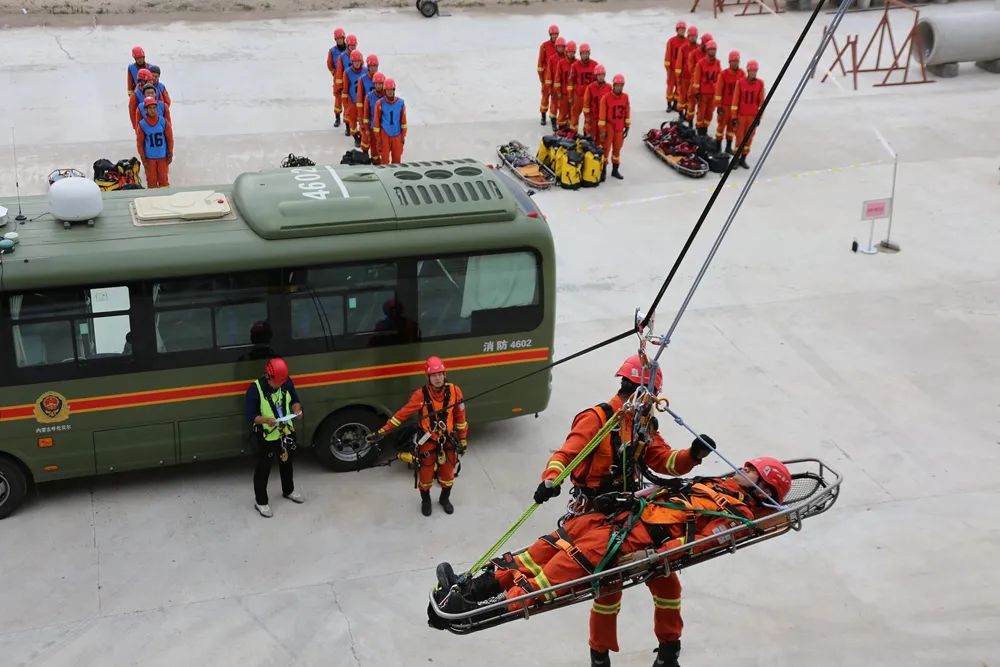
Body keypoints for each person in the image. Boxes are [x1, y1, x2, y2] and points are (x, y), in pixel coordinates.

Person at [431, 457, 793, 667]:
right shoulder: (716, 485)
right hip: (614, 521)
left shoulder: (736, 513)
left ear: (762, 486)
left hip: (630, 542)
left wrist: (652, 556)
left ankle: (475, 611)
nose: (742, 470)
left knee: (547, 580)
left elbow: (699, 543)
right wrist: (622, 499)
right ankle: (470, 589)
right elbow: (662, 489)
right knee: (537, 553)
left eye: (750, 470)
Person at [531, 355, 714, 667]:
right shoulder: (597, 419)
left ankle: (669, 653)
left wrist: (692, 455)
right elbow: (567, 453)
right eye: (651, 396)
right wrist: (551, 480)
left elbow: (664, 461)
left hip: (631, 510)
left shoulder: (642, 426)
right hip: (595, 515)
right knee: (607, 592)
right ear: (641, 391)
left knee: (667, 581)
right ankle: (599, 658)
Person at [369, 356, 467, 516]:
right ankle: (426, 500)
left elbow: (460, 417)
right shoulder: (420, 395)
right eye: (434, 375)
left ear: (445, 374)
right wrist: (382, 431)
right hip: (427, 440)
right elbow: (401, 415)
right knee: (426, 474)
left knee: (448, 473)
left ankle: (444, 499)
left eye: (440, 374)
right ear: (428, 377)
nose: (438, 378)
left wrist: (462, 438)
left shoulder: (455, 391)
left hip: (448, 440)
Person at [246, 357, 305, 518]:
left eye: (283, 381)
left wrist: (297, 411)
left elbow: (295, 400)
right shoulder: (255, 389)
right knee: (263, 468)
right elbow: (251, 416)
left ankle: (289, 490)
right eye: (278, 382)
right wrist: (266, 420)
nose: (281, 384)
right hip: (267, 435)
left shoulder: (285, 382)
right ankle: (261, 501)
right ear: (269, 377)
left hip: (285, 430)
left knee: (287, 462)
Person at [730, 60, 765, 169]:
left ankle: (743, 159)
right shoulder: (740, 83)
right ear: (748, 71)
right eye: (752, 71)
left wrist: (759, 117)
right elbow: (735, 101)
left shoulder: (760, 84)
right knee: (739, 138)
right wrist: (734, 116)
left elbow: (761, 102)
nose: (753, 73)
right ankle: (736, 159)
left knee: (749, 139)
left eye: (755, 71)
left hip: (752, 117)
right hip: (741, 116)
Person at [136, 96, 173, 188]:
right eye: (150, 108)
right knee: (151, 181)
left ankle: (165, 198)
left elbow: (169, 139)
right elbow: (140, 143)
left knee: (163, 180)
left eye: (154, 107)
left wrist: (170, 152)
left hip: (162, 157)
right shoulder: (142, 125)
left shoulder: (163, 122)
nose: (152, 110)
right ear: (145, 109)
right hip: (150, 158)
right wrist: (143, 158)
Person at [598, 75, 630, 180]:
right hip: (609, 127)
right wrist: (602, 130)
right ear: (614, 85)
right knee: (606, 150)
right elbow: (602, 116)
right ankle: (603, 171)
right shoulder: (606, 98)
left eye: (621, 86)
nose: (619, 88)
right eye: (617, 85)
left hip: (619, 128)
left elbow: (627, 112)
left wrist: (627, 126)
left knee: (617, 150)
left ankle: (615, 171)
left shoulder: (625, 97)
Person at [714, 50, 745, 154]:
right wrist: (719, 106)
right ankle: (718, 147)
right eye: (733, 61)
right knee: (721, 127)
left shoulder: (742, 74)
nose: (735, 63)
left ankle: (728, 147)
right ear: (729, 62)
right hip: (725, 106)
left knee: (732, 128)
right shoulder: (723, 74)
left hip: (734, 108)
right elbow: (718, 90)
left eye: (737, 61)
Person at [689, 40, 721, 138]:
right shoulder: (700, 63)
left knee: (709, 114)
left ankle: (705, 130)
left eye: (714, 50)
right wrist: (697, 92)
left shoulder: (717, 63)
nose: (713, 52)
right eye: (711, 50)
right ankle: (699, 131)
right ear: (707, 51)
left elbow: (720, 78)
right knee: (701, 114)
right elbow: (696, 79)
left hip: (712, 94)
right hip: (703, 93)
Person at [681, 32, 712, 126]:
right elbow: (691, 69)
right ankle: (689, 122)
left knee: (703, 108)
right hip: (695, 84)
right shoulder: (694, 54)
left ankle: (701, 128)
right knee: (691, 104)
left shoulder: (710, 57)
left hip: (705, 86)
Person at [373, 79, 407, 164]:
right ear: (384, 91)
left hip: (397, 134)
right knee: (384, 160)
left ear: (394, 90)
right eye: (387, 90)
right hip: (385, 134)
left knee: (397, 160)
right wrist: (378, 138)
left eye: (391, 90)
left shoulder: (401, 103)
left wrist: (403, 136)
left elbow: (403, 121)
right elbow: (376, 122)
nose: (389, 92)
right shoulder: (379, 103)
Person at [568, 43, 599, 134]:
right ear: (580, 54)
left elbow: (598, 81)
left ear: (589, 53)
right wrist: (570, 96)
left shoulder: (595, 65)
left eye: (586, 53)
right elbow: (570, 82)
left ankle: (586, 134)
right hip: (578, 96)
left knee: (588, 117)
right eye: (583, 53)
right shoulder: (575, 65)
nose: (585, 55)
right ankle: (573, 135)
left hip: (590, 98)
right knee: (574, 116)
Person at [352, 53, 380, 148]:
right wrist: (360, 117)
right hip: (366, 112)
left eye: (375, 66)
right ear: (368, 66)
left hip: (378, 113)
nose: (373, 68)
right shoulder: (362, 80)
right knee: (365, 135)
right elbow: (359, 101)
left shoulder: (381, 79)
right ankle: (365, 153)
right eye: (371, 66)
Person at [674, 25, 698, 124]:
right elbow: (679, 63)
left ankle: (689, 116)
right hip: (684, 77)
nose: (693, 38)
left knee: (691, 98)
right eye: (691, 36)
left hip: (693, 79)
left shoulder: (699, 48)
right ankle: (681, 114)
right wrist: (678, 77)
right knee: (682, 97)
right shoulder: (683, 48)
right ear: (688, 36)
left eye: (694, 36)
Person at [537, 24, 560, 126]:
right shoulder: (544, 46)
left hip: (557, 79)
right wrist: (542, 78)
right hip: (546, 78)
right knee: (545, 98)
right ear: (550, 34)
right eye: (553, 34)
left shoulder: (561, 46)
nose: (555, 36)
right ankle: (543, 116)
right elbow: (540, 64)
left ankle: (553, 119)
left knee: (555, 100)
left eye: (556, 34)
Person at [335, 34, 359, 130]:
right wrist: (340, 87)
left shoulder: (358, 55)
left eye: (354, 45)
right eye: (351, 46)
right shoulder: (342, 57)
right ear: (348, 45)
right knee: (347, 107)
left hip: (355, 86)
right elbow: (339, 73)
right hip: (346, 85)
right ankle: (347, 126)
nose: (353, 47)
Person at [361, 71, 386, 164]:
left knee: (383, 147)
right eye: (377, 84)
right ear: (374, 84)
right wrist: (366, 128)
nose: (379, 86)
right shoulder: (369, 97)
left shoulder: (387, 95)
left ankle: (383, 163)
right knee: (374, 147)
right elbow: (366, 114)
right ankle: (375, 162)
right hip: (372, 127)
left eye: (380, 84)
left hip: (384, 128)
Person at [342, 50, 367, 142]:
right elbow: (345, 89)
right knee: (352, 121)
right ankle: (355, 136)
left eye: (358, 61)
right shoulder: (347, 73)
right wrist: (345, 103)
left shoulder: (366, 70)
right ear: (351, 62)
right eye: (355, 62)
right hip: (352, 102)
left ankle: (362, 135)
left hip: (363, 102)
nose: (357, 64)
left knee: (363, 121)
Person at [581, 65, 611, 141]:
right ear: (596, 76)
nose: (601, 77)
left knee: (601, 139)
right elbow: (586, 104)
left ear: (604, 75)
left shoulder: (609, 87)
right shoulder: (590, 87)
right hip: (592, 117)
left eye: (602, 75)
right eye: (599, 75)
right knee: (589, 137)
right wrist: (587, 117)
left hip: (603, 118)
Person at [543, 37, 566, 132]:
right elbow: (548, 74)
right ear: (556, 47)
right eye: (559, 47)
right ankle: (553, 121)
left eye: (562, 47)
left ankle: (562, 121)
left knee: (563, 105)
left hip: (564, 86)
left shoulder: (567, 58)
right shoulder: (552, 59)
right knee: (554, 104)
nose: (561, 49)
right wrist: (549, 87)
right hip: (554, 86)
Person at [327, 27, 348, 127]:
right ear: (335, 39)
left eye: (341, 38)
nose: (340, 40)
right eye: (338, 38)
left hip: (348, 78)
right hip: (338, 79)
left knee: (348, 100)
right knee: (338, 99)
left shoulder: (349, 49)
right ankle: (337, 118)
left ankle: (347, 121)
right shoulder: (332, 51)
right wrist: (334, 72)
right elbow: (329, 63)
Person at [664, 22, 687, 112]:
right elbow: (668, 55)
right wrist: (668, 68)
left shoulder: (686, 42)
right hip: (672, 69)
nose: (682, 31)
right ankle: (669, 104)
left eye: (683, 30)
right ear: (677, 30)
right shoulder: (671, 41)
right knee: (670, 87)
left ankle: (675, 103)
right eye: (680, 30)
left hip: (681, 71)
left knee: (679, 88)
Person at [554, 40, 577, 130]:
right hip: (563, 94)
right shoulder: (561, 63)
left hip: (574, 95)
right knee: (562, 113)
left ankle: (571, 132)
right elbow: (557, 79)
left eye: (572, 52)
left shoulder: (577, 64)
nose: (571, 54)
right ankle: (561, 130)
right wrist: (558, 92)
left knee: (573, 114)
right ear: (566, 52)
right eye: (569, 52)